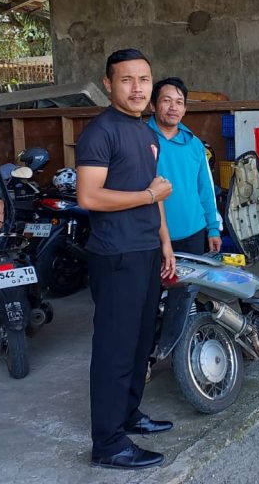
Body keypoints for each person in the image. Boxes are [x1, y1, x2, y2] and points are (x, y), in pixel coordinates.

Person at [76, 49, 176, 470]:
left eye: (144, 80)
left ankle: (128, 412)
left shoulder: (147, 132)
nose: (137, 88)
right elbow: (89, 196)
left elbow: (153, 194)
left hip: (146, 250)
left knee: (139, 344)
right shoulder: (100, 132)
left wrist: (165, 244)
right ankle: (108, 442)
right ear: (108, 84)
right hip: (116, 254)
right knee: (116, 349)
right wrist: (149, 197)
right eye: (126, 80)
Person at [147, 77, 222, 255]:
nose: (173, 107)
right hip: (151, 237)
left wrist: (213, 228)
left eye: (179, 102)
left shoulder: (195, 144)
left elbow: (206, 189)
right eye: (166, 100)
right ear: (153, 105)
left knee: (190, 284)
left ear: (185, 109)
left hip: (193, 233)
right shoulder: (141, 140)